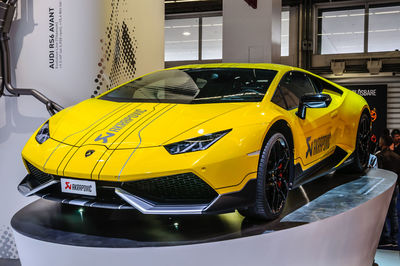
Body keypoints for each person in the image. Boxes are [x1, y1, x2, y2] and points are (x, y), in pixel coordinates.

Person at [376, 134, 399, 247]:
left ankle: (385, 237)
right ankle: (394, 238)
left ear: (383, 142)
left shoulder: (380, 156)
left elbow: (378, 173)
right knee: (393, 213)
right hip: (395, 186)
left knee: (382, 212)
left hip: (384, 187)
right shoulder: (397, 157)